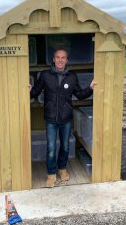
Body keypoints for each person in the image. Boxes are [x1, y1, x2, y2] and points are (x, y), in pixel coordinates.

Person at [30, 49, 96, 188]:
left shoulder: (72, 77)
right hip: (50, 118)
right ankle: (51, 174)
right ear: (53, 59)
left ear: (67, 60)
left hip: (66, 118)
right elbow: (35, 92)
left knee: (65, 147)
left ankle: (62, 169)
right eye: (58, 57)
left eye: (63, 58)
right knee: (51, 148)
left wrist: (90, 88)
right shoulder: (45, 75)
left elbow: (80, 95)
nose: (60, 60)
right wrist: (29, 90)